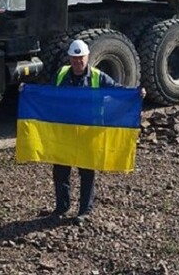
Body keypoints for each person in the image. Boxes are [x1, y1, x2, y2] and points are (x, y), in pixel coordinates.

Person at [45, 38, 123, 224]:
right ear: (69, 58)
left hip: (89, 132)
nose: (77, 62)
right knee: (61, 171)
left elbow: (117, 91)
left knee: (87, 172)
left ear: (87, 57)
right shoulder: (61, 74)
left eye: (81, 58)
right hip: (65, 131)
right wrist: (27, 90)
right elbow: (47, 93)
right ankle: (62, 207)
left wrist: (136, 93)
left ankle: (84, 210)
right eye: (74, 58)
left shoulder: (98, 77)